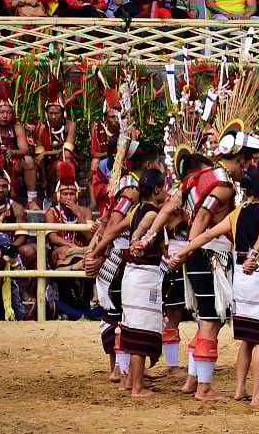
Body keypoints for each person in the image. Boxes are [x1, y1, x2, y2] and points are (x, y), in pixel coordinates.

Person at [169, 125, 259, 401]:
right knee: (212, 320)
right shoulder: (223, 185)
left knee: (206, 318)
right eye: (248, 163)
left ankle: (193, 380)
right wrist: (191, 249)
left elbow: (175, 207)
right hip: (209, 256)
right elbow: (203, 215)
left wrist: (185, 249)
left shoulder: (201, 175)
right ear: (241, 160)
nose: (247, 171)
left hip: (199, 252)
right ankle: (204, 388)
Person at [100, 169, 167, 397]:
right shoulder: (150, 213)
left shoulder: (138, 209)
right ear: (157, 189)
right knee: (140, 332)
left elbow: (130, 233)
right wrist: (139, 243)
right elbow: (138, 234)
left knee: (132, 329)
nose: (166, 192)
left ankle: (129, 381)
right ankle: (137, 387)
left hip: (134, 275)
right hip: (143, 276)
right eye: (164, 187)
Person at [0, 80, 38, 207]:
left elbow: (25, 150)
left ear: (12, 113)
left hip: (12, 163)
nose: (5, 116)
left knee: (28, 160)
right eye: (2, 112)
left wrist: (13, 152)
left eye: (8, 112)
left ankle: (31, 201)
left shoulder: (17, 127)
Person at [34, 85, 77, 205]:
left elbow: (67, 150)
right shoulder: (41, 128)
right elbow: (39, 156)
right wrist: (43, 179)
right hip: (49, 167)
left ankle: (64, 192)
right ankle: (46, 193)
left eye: (56, 113)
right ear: (46, 114)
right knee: (53, 163)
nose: (53, 117)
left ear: (62, 113)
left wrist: (47, 153)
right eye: (50, 113)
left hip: (66, 162)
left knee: (64, 159)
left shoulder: (70, 126)